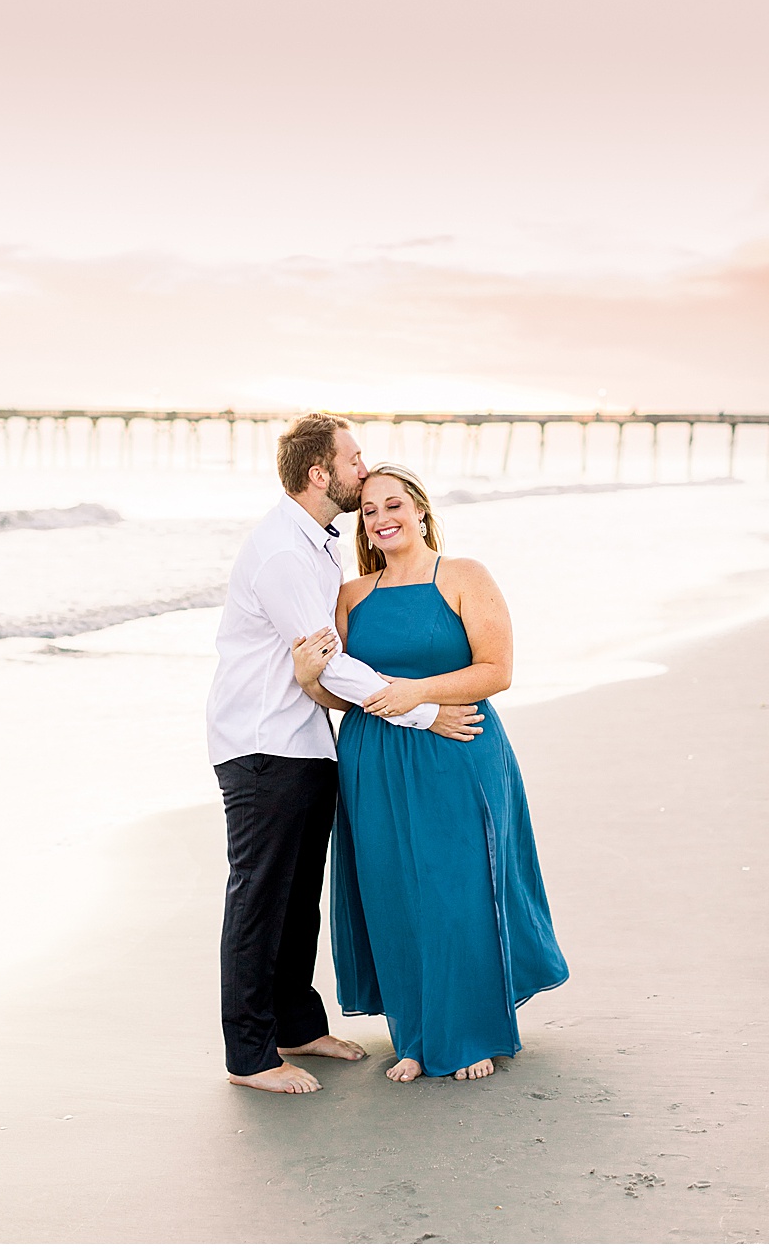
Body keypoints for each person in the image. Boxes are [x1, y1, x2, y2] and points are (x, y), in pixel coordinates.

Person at [206, 413, 484, 1096]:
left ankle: (297, 1025)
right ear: (318, 473)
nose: (365, 469)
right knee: (260, 898)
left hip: (305, 742)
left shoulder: (317, 542)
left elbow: (327, 667)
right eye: (354, 460)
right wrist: (422, 712)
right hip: (263, 744)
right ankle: (249, 1056)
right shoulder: (282, 551)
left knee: (300, 899)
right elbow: (333, 663)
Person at [291, 463, 567, 1083]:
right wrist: (311, 682)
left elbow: (497, 669)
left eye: (393, 505)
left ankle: (468, 1033)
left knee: (456, 887)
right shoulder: (353, 594)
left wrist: (415, 694)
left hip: (458, 747)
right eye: (368, 511)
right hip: (373, 759)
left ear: (418, 508)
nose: (382, 519)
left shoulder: (465, 576)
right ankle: (414, 1035)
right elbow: (346, 691)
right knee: (393, 893)